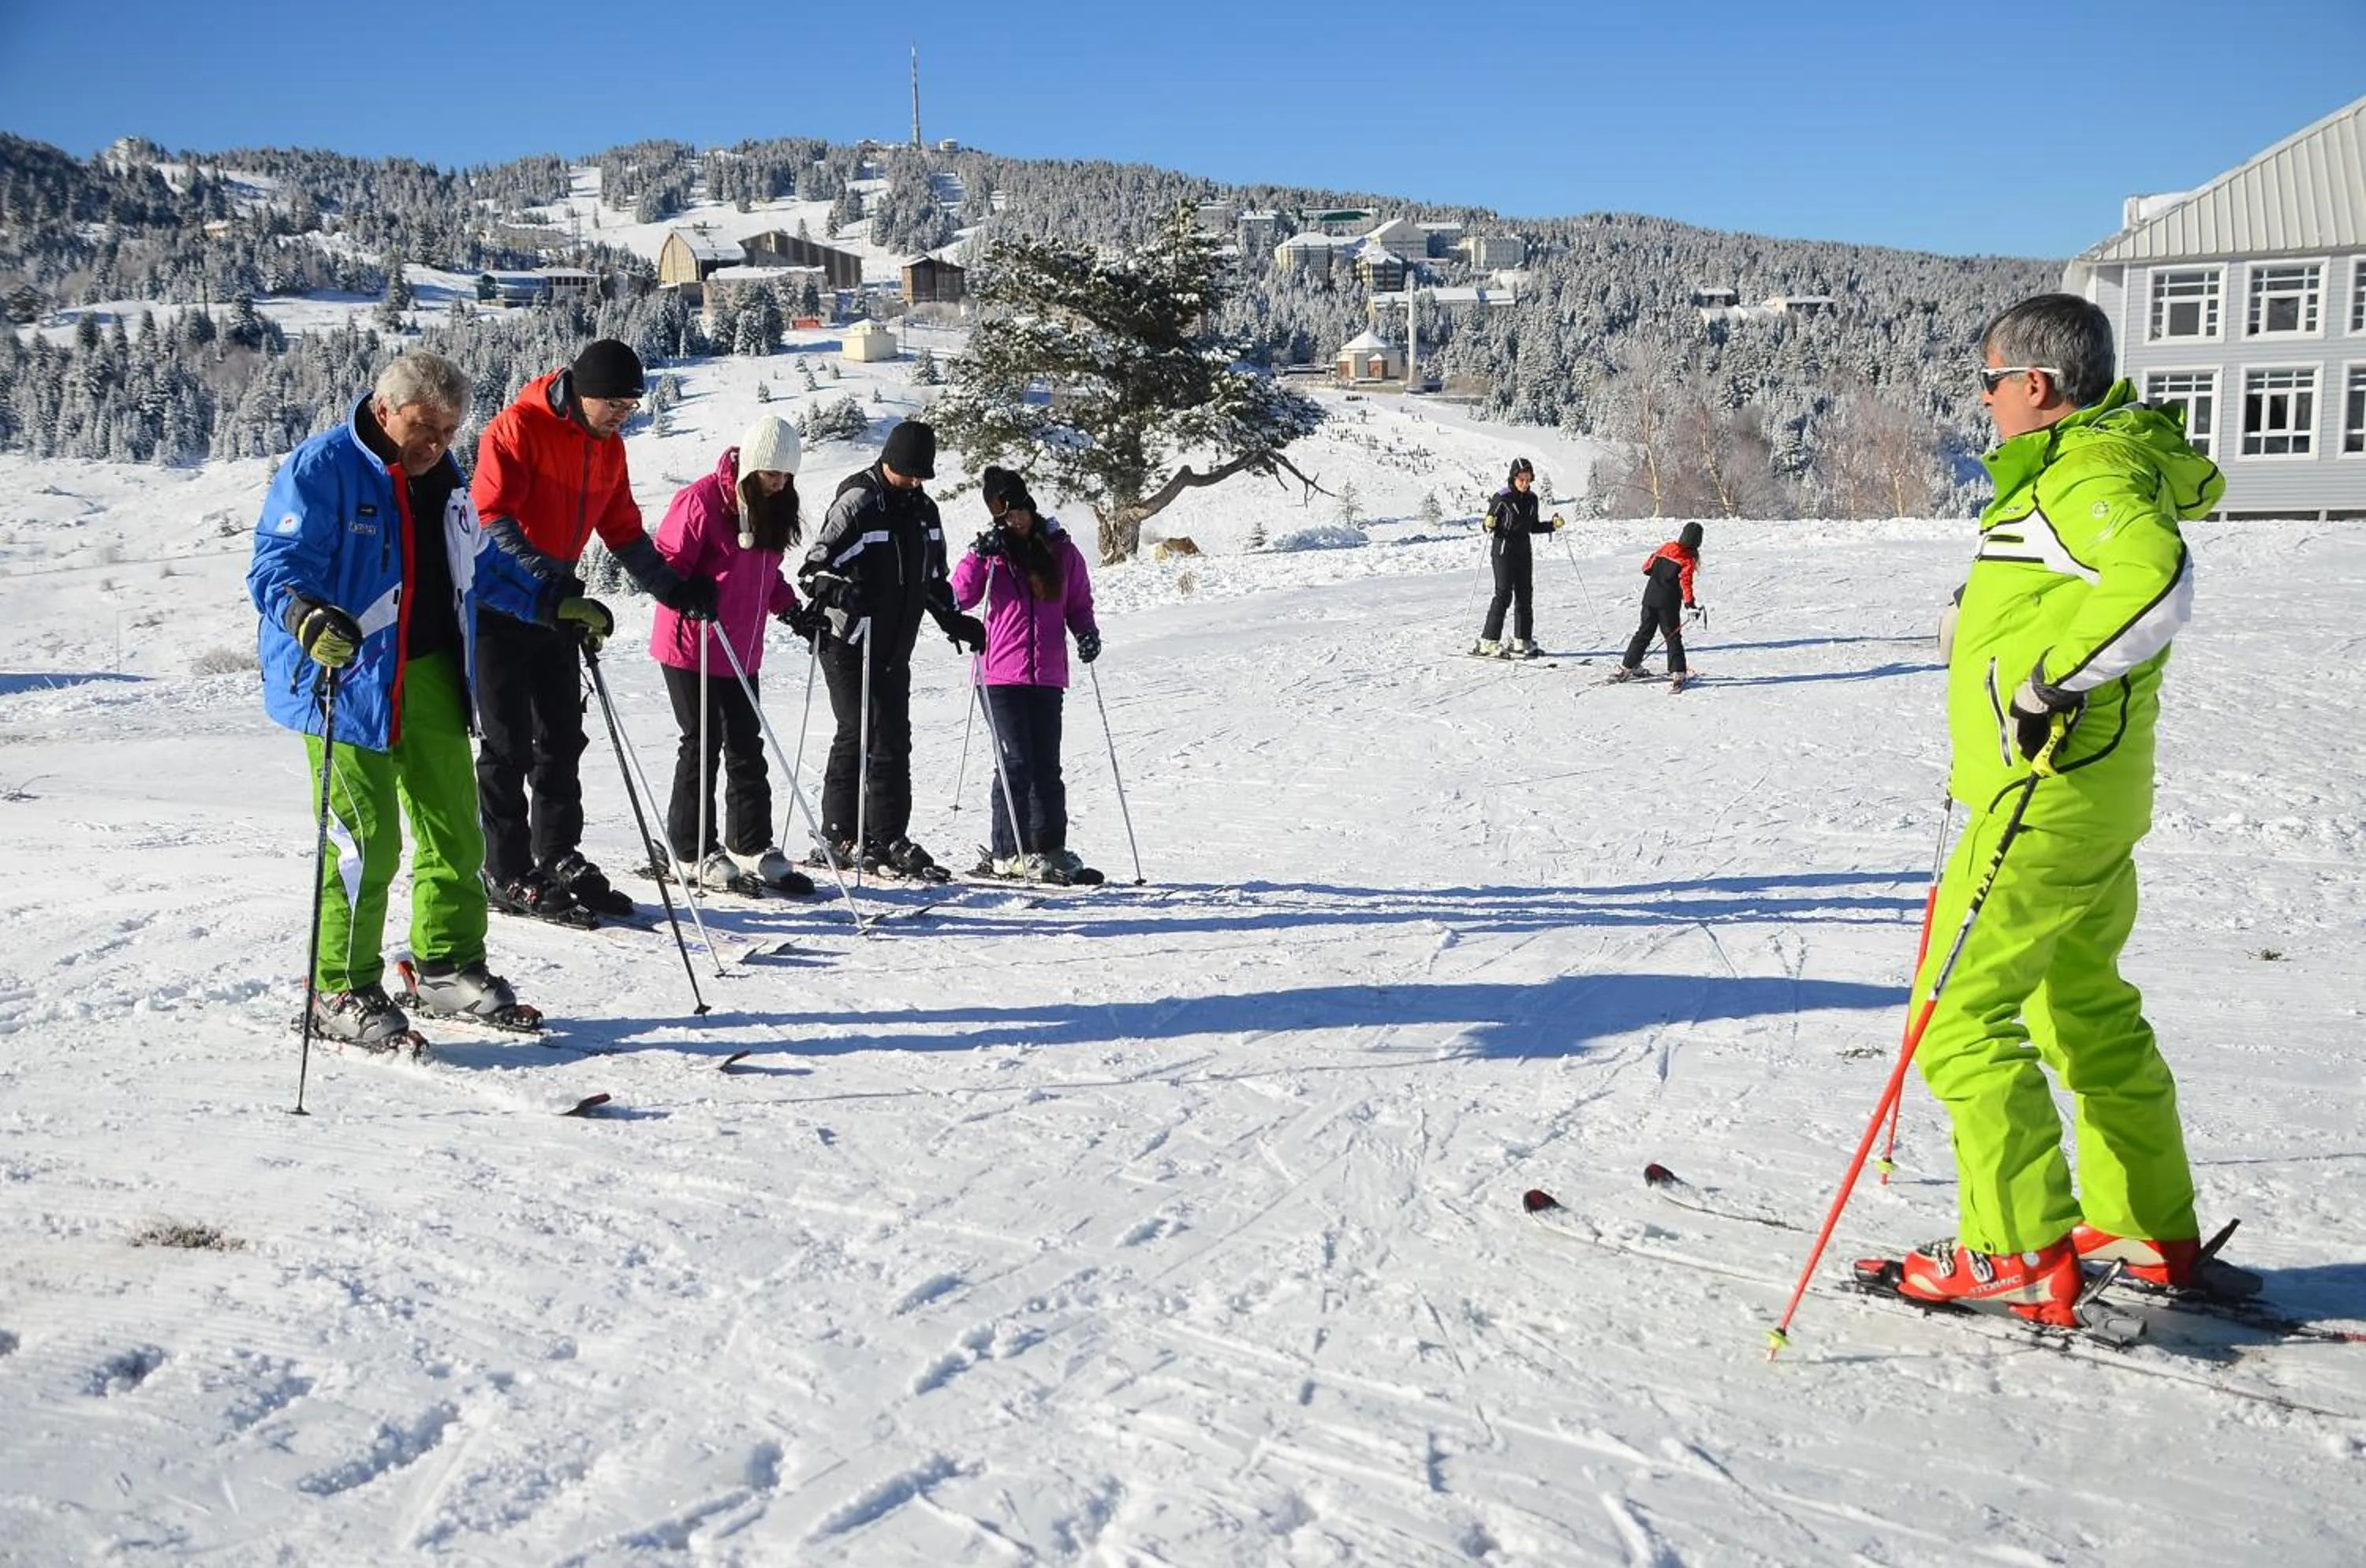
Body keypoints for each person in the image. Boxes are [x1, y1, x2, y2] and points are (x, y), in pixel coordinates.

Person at [1887, 292, 2226, 1325]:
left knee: (1957, 1018)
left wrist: (2046, 683)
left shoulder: (2087, 474)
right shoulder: (2080, 471)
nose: (1985, 402)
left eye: (1988, 384)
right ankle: (2142, 1223)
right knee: (2079, 1007)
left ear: (2032, 387)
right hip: (2086, 800)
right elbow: (2082, 584)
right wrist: (1983, 624)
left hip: (2043, 791)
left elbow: (2153, 581)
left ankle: (2016, 1247)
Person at [246, 351, 612, 1044]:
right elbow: (275, 564)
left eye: (449, 431)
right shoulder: (323, 468)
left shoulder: (444, 479)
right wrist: (306, 617)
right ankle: (338, 986)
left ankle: (445, 965)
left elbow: (480, 561)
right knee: (366, 842)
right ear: (385, 410)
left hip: (434, 672)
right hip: (345, 679)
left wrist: (550, 599)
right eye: (425, 427)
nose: (436, 443)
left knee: (456, 827)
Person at [469, 338, 720, 921]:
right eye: (613, 404)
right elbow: (490, 519)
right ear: (581, 393)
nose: (621, 415)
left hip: (559, 605)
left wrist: (674, 590)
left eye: (630, 405)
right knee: (506, 745)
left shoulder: (607, 449)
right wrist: (543, 582)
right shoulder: (516, 429)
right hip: (501, 607)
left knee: (562, 738)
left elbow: (624, 530)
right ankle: (504, 869)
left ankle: (555, 852)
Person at [797, 420, 983, 880]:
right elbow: (813, 570)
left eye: (922, 475)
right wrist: (842, 593)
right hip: (848, 640)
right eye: (907, 472)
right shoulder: (859, 502)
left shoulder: (925, 512)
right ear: (887, 461)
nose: (915, 482)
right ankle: (839, 833)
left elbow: (933, 581)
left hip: (896, 644)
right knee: (858, 731)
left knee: (894, 739)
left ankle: (886, 834)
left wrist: (953, 618)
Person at [647, 414, 817, 895]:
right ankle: (692, 850)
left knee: (746, 744)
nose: (779, 483)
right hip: (692, 644)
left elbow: (765, 577)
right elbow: (665, 562)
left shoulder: (771, 508)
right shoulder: (702, 500)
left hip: (741, 647)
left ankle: (751, 843)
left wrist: (792, 611)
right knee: (702, 744)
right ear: (750, 467)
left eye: (785, 476)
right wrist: (688, 590)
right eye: (771, 473)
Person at [950, 466, 1103, 885]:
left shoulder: (1060, 551)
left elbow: (1078, 603)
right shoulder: (993, 555)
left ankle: (1048, 846)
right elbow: (960, 597)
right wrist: (978, 555)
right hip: (1000, 675)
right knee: (1015, 762)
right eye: (1005, 516)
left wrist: (1087, 633)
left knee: (1046, 766)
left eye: (1019, 511)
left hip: (1047, 674)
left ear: (1030, 508)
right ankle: (1008, 852)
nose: (1014, 520)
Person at [1469, 457, 1564, 659]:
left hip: (1523, 549)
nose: (1525, 482)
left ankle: (1522, 640)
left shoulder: (1532, 499)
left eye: (1528, 479)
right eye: (1521, 478)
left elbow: (1533, 526)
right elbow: (1488, 525)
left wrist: (1552, 525)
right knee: (1504, 594)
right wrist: (1489, 522)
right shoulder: (1502, 497)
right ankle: (1488, 641)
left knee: (1525, 594)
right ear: (1513, 478)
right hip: (1503, 548)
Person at [1610, 522, 1704, 689]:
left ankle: (1627, 666)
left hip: (1650, 599)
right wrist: (1690, 605)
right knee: (1672, 636)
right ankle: (1677, 672)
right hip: (1668, 604)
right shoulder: (1687, 559)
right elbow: (1686, 584)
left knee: (1643, 633)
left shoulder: (1666, 547)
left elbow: (1646, 567)